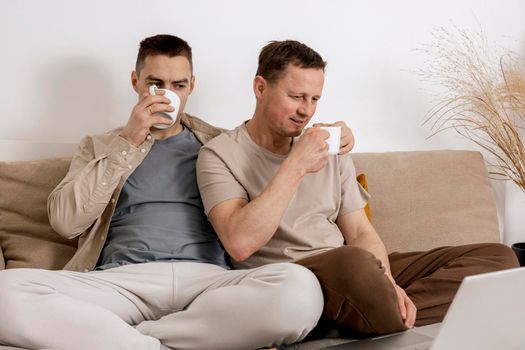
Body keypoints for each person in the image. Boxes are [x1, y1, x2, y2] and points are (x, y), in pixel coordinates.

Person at [0, 34, 370, 350]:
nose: (167, 95)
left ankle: (132, 340)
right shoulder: (101, 146)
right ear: (135, 82)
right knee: (4, 292)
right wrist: (128, 141)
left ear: (192, 85)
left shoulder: (222, 145)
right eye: (155, 83)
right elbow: (66, 222)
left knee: (300, 291)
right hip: (119, 282)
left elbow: (279, 158)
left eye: (178, 85)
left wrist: (337, 133)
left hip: (208, 285)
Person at [196, 39, 520, 338]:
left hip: (357, 273)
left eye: (314, 99)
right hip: (293, 280)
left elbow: (360, 232)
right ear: (260, 87)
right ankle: (371, 313)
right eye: (296, 97)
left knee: (499, 258)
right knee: (353, 263)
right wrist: (295, 165)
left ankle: (375, 315)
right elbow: (239, 243)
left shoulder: (328, 146)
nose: (306, 111)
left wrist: (389, 285)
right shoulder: (220, 154)